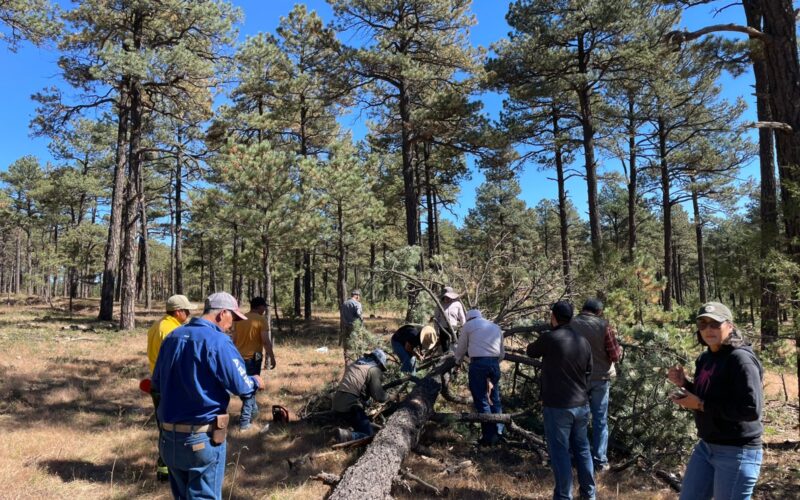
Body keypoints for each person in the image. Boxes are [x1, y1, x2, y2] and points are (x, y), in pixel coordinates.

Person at [152, 292, 265, 500]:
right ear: (223, 314)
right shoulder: (218, 341)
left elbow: (156, 383)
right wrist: (256, 381)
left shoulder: (172, 338)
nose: (232, 325)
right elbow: (243, 386)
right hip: (201, 438)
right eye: (233, 318)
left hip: (169, 438)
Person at [667, 302, 763, 500]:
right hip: (706, 446)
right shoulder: (706, 358)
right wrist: (685, 384)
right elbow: (709, 395)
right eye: (703, 324)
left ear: (730, 326)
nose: (708, 329)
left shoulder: (740, 359)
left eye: (714, 324)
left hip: (737, 451)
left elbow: (751, 409)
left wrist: (701, 405)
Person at [526, 301, 595, 500]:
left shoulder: (550, 338)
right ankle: (589, 495)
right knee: (582, 450)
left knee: (560, 453)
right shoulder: (583, 341)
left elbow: (531, 350)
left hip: (557, 406)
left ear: (554, 317)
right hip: (581, 405)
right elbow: (589, 371)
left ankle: (564, 496)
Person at [145, 294, 197, 482]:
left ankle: (164, 469)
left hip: (158, 383)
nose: (189, 314)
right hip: (170, 385)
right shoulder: (172, 330)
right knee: (174, 429)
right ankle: (171, 469)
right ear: (178, 312)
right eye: (187, 311)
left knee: (164, 426)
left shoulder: (156, 326)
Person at [569, 298, 618, 471]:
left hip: (577, 378)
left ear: (583, 309)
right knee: (600, 420)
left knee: (576, 418)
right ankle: (600, 460)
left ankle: (576, 456)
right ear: (598, 312)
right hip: (600, 378)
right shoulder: (604, 326)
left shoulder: (571, 323)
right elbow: (615, 355)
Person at [454, 309, 505, 446]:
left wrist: (457, 361)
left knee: (482, 399)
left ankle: (489, 436)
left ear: (468, 318)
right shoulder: (495, 326)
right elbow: (502, 354)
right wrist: (493, 363)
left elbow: (461, 347)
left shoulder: (468, 326)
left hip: (478, 365)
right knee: (495, 398)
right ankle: (500, 431)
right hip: (494, 364)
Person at [232, 296, 276, 431]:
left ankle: (253, 412)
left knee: (246, 387)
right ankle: (245, 422)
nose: (265, 310)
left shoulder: (239, 319)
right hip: (253, 358)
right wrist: (272, 357)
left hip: (238, 358)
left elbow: (233, 339)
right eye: (264, 307)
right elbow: (266, 341)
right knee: (249, 389)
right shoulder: (261, 320)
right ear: (259, 307)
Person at [331, 348, 389, 442]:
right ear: (378, 362)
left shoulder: (355, 364)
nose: (381, 370)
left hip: (336, 404)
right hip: (351, 406)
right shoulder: (373, 369)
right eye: (381, 367)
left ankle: (347, 428)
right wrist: (389, 396)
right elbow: (379, 397)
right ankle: (346, 435)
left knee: (361, 423)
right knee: (370, 434)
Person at [434, 286, 466, 351]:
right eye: (446, 297)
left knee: (455, 347)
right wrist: (436, 331)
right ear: (443, 296)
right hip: (443, 330)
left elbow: (462, 317)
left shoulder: (457, 304)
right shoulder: (440, 305)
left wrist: (464, 329)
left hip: (454, 329)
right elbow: (436, 318)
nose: (448, 298)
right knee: (445, 349)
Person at [339, 289, 364, 360]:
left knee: (347, 345)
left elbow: (342, 315)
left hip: (346, 327)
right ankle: (359, 360)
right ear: (356, 296)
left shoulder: (345, 303)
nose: (359, 298)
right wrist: (361, 321)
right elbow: (359, 314)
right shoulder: (357, 304)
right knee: (358, 344)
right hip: (355, 327)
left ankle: (347, 359)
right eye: (359, 296)